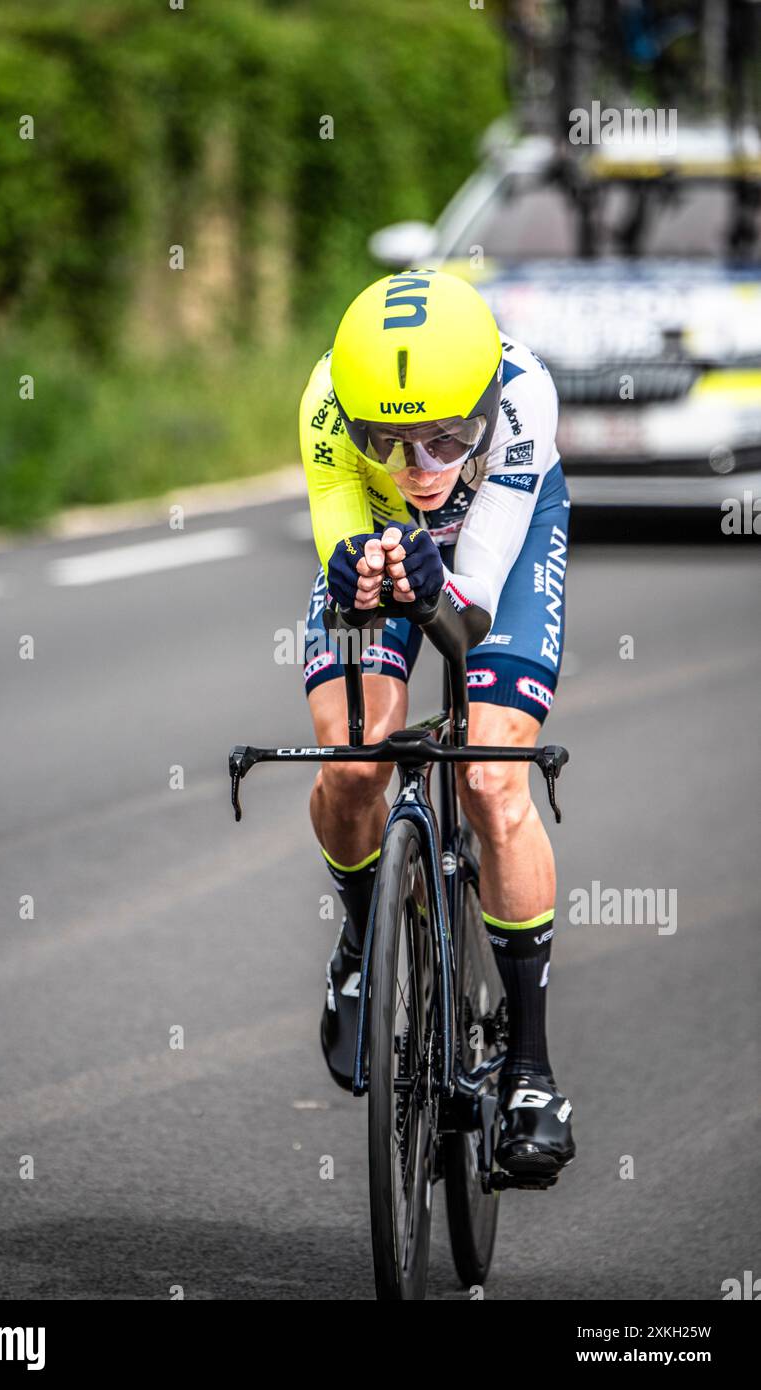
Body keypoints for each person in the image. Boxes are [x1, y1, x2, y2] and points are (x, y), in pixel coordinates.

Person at [298, 270, 575, 1177]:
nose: (420, 467)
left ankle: (530, 1066)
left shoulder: (525, 396)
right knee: (353, 764)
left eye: (448, 439)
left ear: (486, 410)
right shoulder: (328, 406)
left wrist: (434, 586)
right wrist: (352, 575)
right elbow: (343, 549)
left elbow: (468, 616)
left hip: (499, 546)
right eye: (392, 442)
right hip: (381, 543)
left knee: (492, 780)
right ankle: (357, 937)